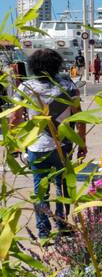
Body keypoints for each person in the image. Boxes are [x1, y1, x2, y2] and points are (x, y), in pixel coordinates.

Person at [11, 48, 87, 241]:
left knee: (40, 190)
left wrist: (17, 144)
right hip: (64, 144)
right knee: (62, 186)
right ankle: (63, 225)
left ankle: (43, 231)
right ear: (57, 64)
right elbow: (79, 118)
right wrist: (82, 143)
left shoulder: (26, 88)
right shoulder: (68, 86)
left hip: (37, 146)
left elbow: (15, 119)